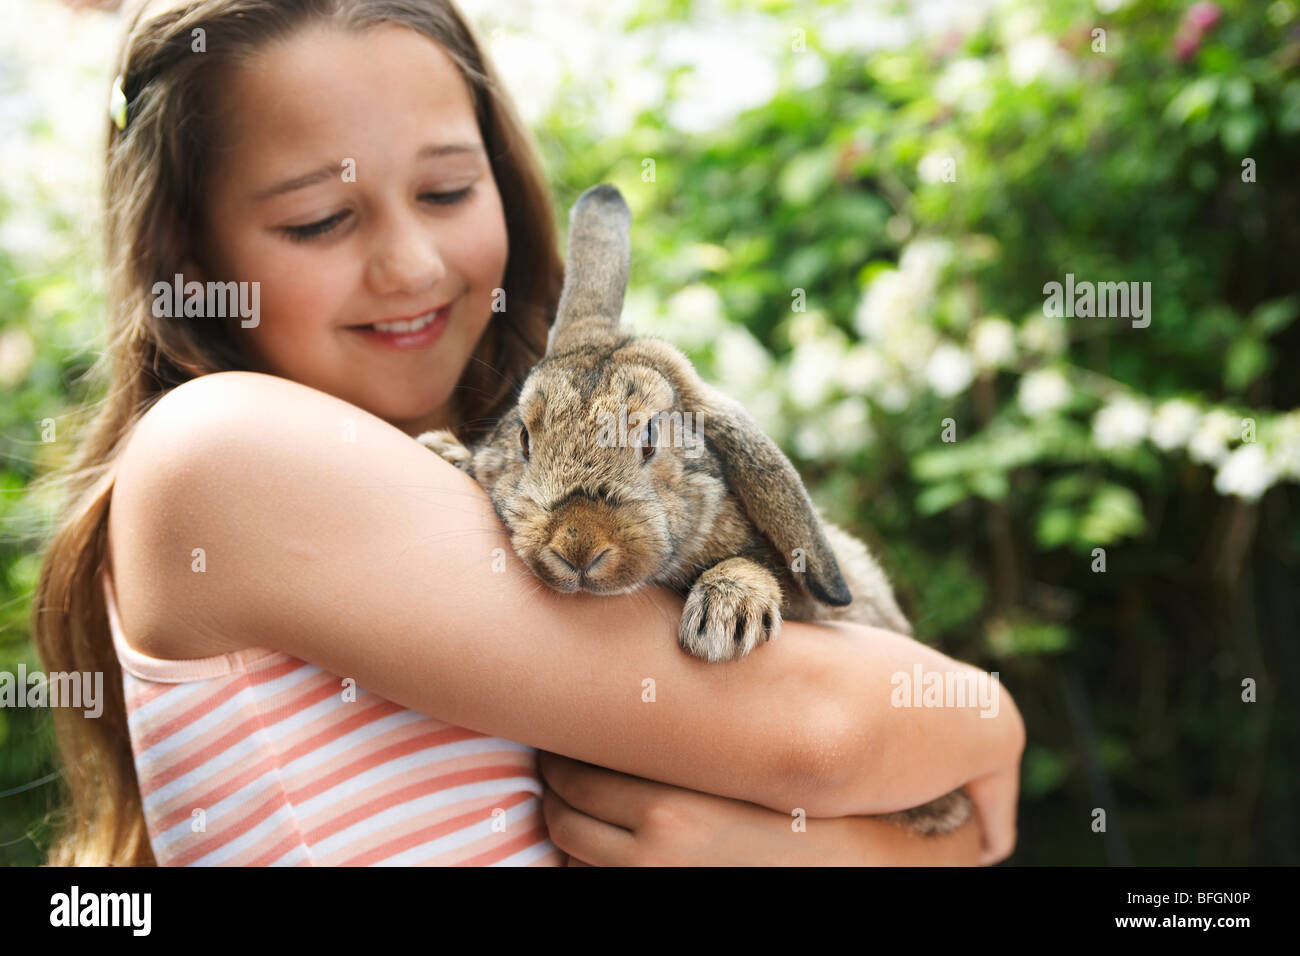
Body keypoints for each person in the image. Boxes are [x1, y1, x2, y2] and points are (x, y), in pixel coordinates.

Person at [32, 0, 1024, 866]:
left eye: (448, 191)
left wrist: (855, 848)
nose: (412, 264)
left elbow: (954, 814)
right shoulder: (220, 455)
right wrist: (987, 732)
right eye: (320, 220)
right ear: (189, 255)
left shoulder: (517, 460)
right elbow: (839, 729)